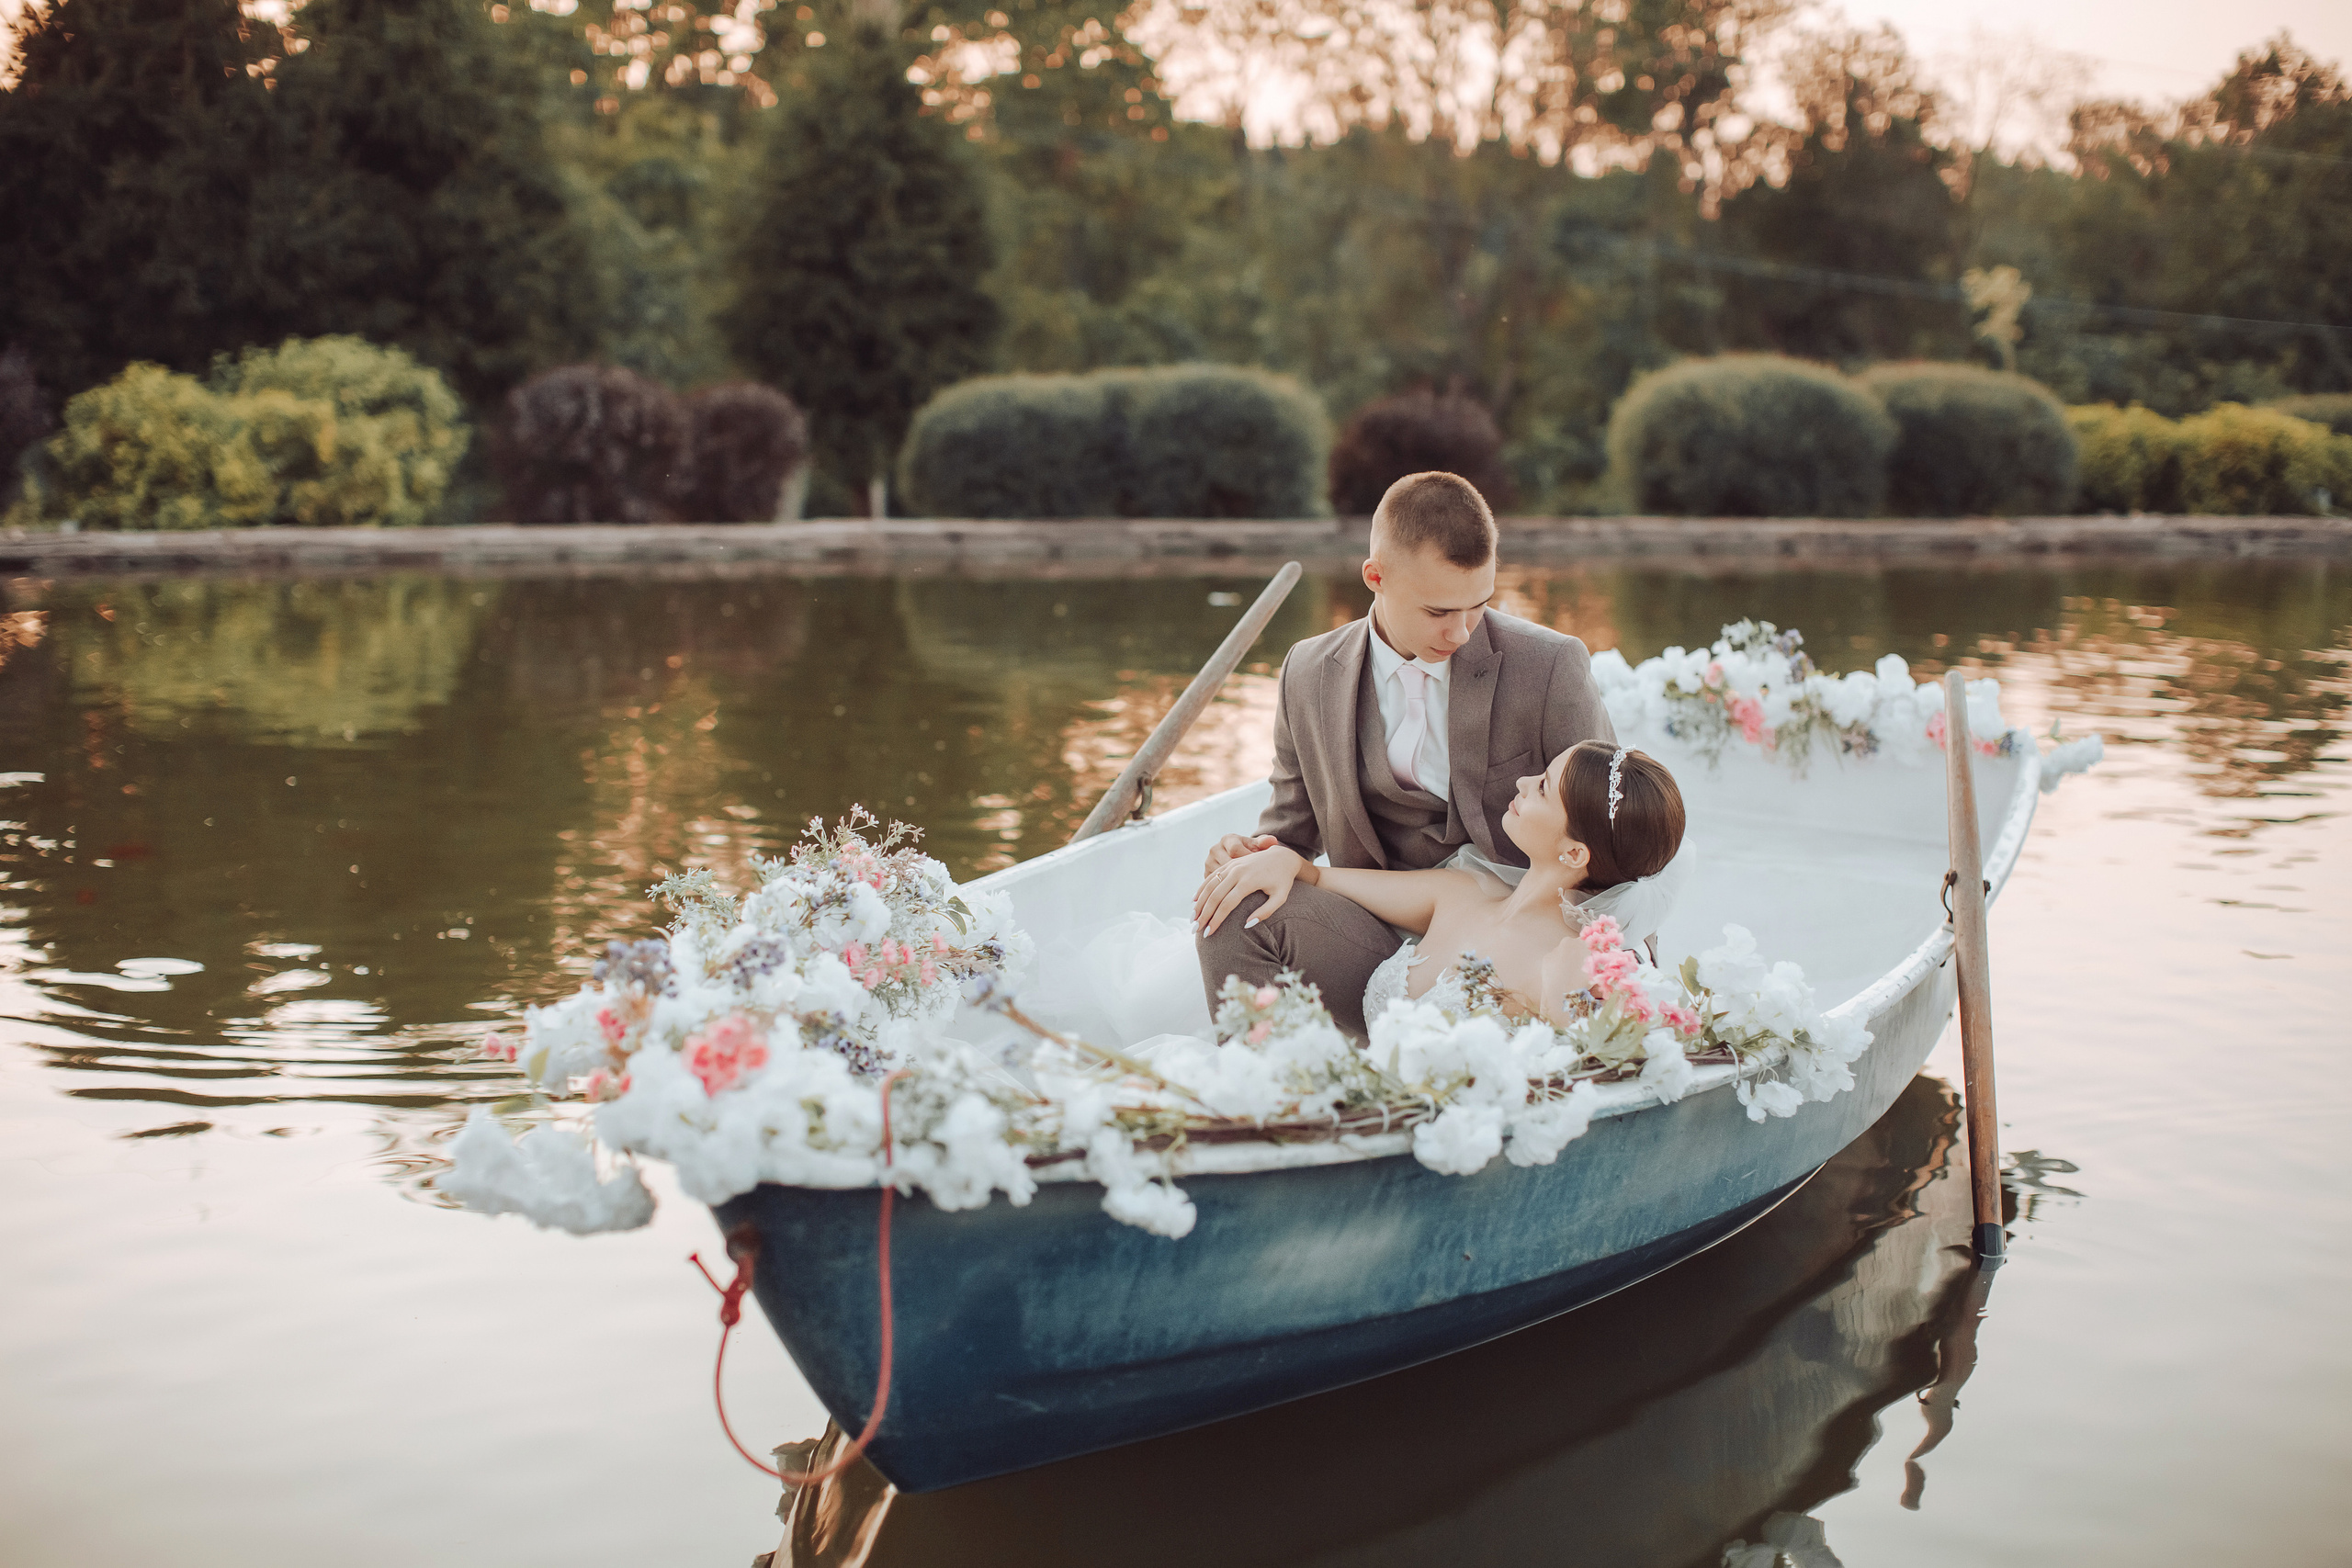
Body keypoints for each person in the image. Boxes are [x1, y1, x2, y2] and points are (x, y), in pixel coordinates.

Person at [1192, 470, 1616, 1037]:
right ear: (1376, 577)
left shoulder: (1549, 666)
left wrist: (1609, 982)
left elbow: (1612, 833)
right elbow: (1291, 833)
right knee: (1234, 906)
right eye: (1438, 612)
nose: (1462, 633)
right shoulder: (1308, 671)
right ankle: (1273, 1080)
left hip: (1511, 950)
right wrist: (1250, 854)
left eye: (1478, 606)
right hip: (1369, 931)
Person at [1208, 740, 1686, 1030]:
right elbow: (1318, 876)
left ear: (1575, 853)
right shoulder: (1462, 891)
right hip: (1350, 1095)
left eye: (1542, 787)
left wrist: (1561, 1005)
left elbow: (1582, 1086)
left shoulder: (1575, 964)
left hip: (1447, 1143)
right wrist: (1275, 858)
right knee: (1247, 896)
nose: (1523, 781)